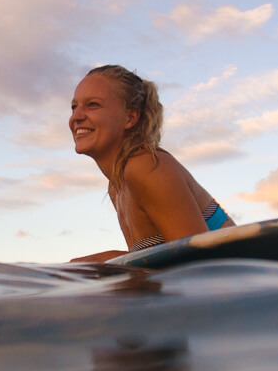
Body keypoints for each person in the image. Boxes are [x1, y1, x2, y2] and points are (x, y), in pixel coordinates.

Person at [69, 65, 235, 263]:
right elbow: (160, 266)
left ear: (130, 117)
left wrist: (99, 263)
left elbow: (199, 264)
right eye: (74, 107)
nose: (76, 117)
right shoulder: (117, 187)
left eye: (93, 105)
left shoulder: (145, 168)